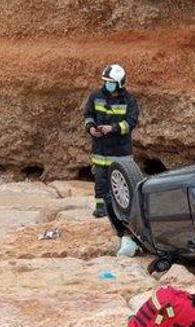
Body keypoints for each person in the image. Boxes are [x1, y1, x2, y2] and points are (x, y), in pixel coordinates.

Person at [83, 64, 140, 257]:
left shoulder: (129, 100)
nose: (107, 85)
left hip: (120, 151)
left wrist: (113, 128)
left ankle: (123, 215)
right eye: (106, 82)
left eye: (111, 83)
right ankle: (101, 209)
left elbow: (131, 122)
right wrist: (91, 128)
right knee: (101, 181)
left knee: (121, 186)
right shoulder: (95, 96)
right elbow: (88, 115)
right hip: (100, 150)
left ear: (120, 83)